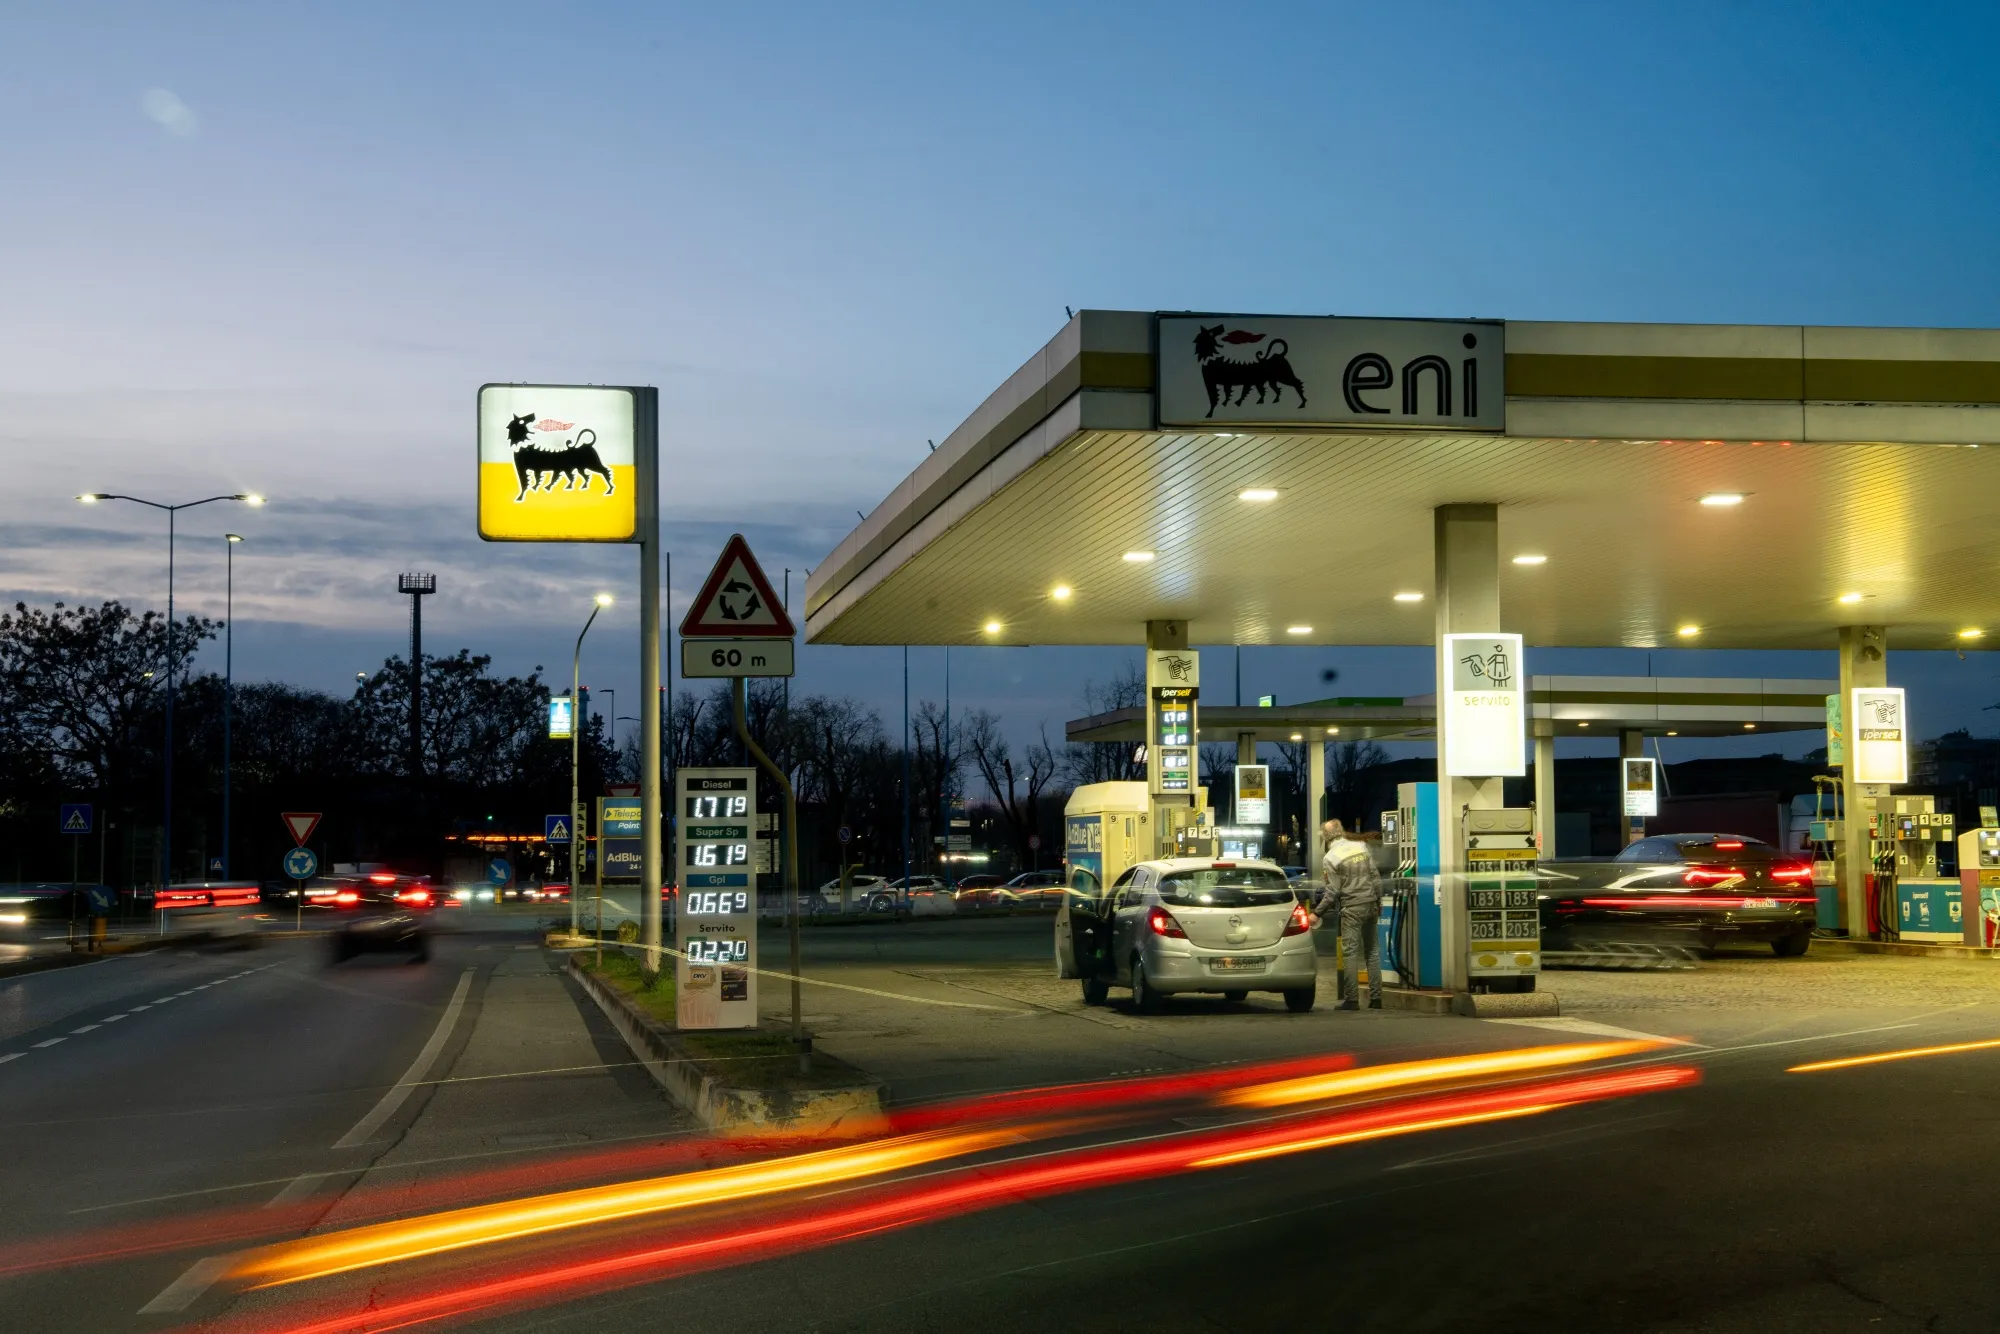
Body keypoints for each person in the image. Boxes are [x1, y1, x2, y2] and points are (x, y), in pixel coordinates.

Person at [1316, 818, 1383, 1010]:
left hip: (1352, 908)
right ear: (1342, 830)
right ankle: (1376, 999)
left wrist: (1317, 913)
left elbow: (1332, 892)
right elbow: (1375, 877)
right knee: (1372, 952)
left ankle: (1352, 1000)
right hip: (1370, 904)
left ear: (1326, 837)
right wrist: (1378, 901)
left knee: (1350, 953)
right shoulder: (1361, 846)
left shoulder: (1330, 858)